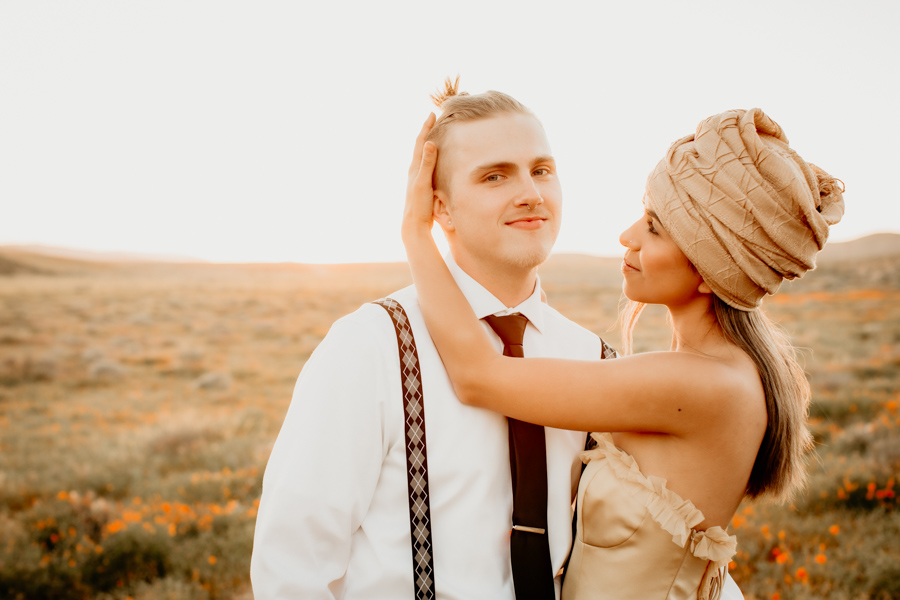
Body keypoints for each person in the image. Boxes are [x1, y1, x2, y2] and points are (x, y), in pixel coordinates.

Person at [402, 107, 844, 600]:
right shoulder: (723, 372)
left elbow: (478, 377)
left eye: (654, 228)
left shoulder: (697, 383)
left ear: (709, 269)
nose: (628, 236)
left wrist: (417, 233)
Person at [251, 80, 616, 599]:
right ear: (440, 208)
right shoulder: (372, 345)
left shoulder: (594, 358)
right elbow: (292, 566)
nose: (531, 193)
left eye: (542, 170)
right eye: (494, 176)